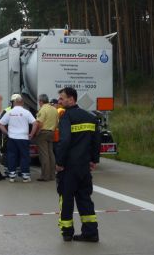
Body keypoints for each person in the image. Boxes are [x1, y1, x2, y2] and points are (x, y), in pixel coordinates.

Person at [55, 87, 100, 242]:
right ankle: (91, 232)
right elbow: (96, 141)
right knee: (84, 198)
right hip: (84, 168)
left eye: (62, 98)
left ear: (71, 99)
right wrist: (94, 160)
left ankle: (67, 232)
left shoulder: (66, 117)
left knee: (66, 199)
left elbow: (64, 140)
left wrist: (59, 162)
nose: (59, 102)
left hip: (68, 167)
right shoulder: (91, 117)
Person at [0, 94, 38, 183]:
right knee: (24, 157)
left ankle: (12, 176)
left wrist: (6, 133)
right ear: (22, 103)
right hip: (24, 138)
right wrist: (31, 134)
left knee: (12, 156)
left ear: (14, 103)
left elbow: (0, 124)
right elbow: (35, 123)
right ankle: (25, 176)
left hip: (12, 138)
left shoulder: (9, 112)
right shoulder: (26, 112)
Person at [33, 94, 58, 181]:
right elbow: (56, 122)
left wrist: (36, 133)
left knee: (44, 155)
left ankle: (45, 176)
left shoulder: (43, 109)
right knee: (51, 154)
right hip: (51, 132)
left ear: (41, 101)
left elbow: (39, 123)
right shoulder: (54, 109)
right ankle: (52, 175)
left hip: (43, 133)